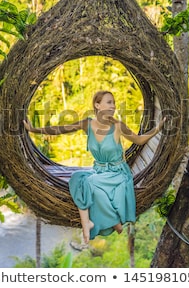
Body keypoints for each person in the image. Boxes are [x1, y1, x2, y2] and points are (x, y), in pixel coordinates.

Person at [23, 90, 165, 245]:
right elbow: (61, 129)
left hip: (117, 173)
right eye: (109, 102)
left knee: (90, 183)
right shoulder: (87, 124)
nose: (113, 106)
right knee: (77, 178)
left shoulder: (117, 126)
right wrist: (34, 130)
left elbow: (138, 140)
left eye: (114, 102)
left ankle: (88, 225)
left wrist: (157, 128)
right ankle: (110, 221)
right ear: (97, 105)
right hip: (99, 171)